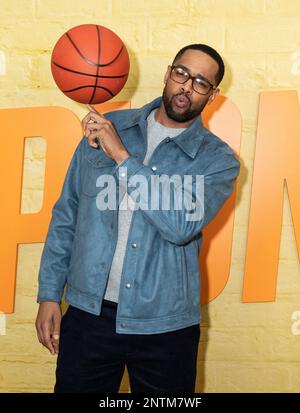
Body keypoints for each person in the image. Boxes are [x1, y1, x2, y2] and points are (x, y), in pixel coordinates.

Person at [35, 43, 240, 393]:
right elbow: (67, 213)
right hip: (89, 316)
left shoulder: (218, 160)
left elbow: (180, 225)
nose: (187, 87)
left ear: (213, 95)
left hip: (166, 329)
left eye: (201, 82)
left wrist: (122, 156)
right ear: (168, 73)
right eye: (181, 73)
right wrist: (49, 294)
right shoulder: (109, 128)